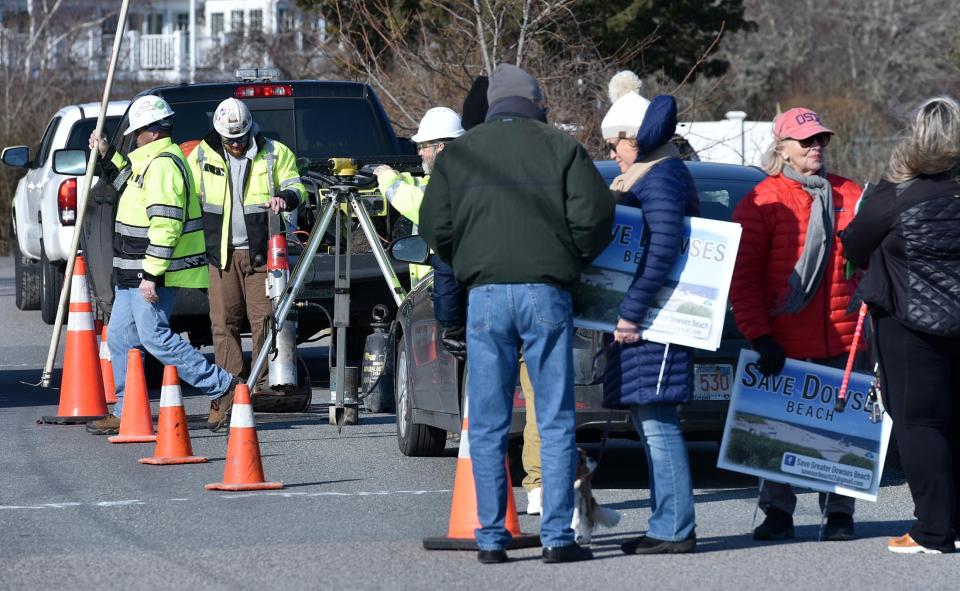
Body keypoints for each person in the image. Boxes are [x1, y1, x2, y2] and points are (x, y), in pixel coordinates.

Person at [419, 63, 615, 564]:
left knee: (485, 421)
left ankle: (490, 539)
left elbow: (434, 228)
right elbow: (594, 219)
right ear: (535, 102)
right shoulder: (560, 147)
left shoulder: (458, 154)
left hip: (484, 295)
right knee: (552, 417)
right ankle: (555, 537)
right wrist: (570, 260)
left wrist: (468, 262)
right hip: (546, 293)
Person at [729, 107, 863, 541]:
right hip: (783, 341)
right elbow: (742, 278)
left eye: (820, 139)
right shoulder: (762, 200)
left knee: (840, 434)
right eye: (805, 141)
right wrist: (759, 336)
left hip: (842, 338)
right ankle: (778, 513)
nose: (815, 147)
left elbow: (873, 261)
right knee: (777, 430)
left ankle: (840, 512)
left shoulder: (849, 194)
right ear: (782, 149)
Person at [841, 96, 960, 554]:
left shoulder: (895, 195)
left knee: (919, 424)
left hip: (911, 327)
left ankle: (932, 530)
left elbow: (853, 246)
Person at [85, 95, 237, 435]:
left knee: (154, 337)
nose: (134, 137)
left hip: (151, 273)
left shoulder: (164, 165)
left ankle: (222, 385)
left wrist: (151, 275)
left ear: (152, 132)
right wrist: (107, 153)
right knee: (123, 338)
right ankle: (127, 411)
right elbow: (126, 181)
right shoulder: (148, 162)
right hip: (130, 272)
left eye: (137, 132)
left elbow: (166, 227)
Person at [599, 71, 698, 555]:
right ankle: (666, 523)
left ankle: (675, 530)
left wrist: (631, 313)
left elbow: (661, 249)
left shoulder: (661, 177)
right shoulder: (656, 173)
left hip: (656, 323)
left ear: (636, 138)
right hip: (651, 321)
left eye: (616, 142)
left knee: (658, 423)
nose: (613, 152)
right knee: (651, 422)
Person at [185, 98, 306, 402]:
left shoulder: (275, 153)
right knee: (224, 322)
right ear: (218, 134)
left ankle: (263, 383)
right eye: (230, 140)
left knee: (265, 319)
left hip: (262, 255)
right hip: (221, 254)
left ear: (250, 130)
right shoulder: (201, 155)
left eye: (240, 138)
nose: (236, 145)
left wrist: (285, 198)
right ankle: (231, 385)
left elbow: (298, 187)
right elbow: (184, 193)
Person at [373, 106, 466, 349]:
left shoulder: (456, 177)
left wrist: (388, 180)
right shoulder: (458, 171)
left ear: (441, 147)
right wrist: (404, 178)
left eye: (424, 146)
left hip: (444, 289)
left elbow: (422, 206)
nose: (420, 153)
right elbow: (426, 186)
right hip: (437, 289)